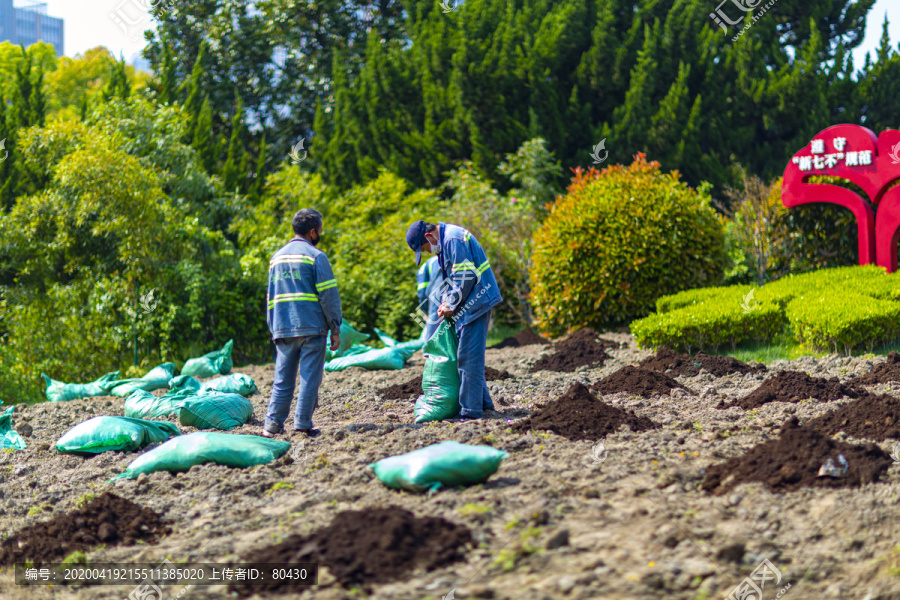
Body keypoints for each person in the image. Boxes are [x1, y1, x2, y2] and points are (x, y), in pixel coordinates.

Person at [405, 220, 503, 420]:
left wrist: (451, 304)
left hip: (477, 300)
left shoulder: (453, 239)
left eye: (424, 249)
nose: (428, 252)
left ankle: (470, 411)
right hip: (469, 302)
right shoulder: (446, 242)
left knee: (468, 357)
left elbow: (464, 275)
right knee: (466, 355)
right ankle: (484, 404)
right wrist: (445, 301)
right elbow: (449, 279)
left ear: (428, 237)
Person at [262, 208, 341, 438]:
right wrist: (335, 327)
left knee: (282, 379)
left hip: (283, 326)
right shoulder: (316, 256)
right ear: (313, 231)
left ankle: (271, 426)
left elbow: (271, 297)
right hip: (312, 327)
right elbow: (328, 296)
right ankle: (302, 424)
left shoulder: (276, 258)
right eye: (320, 230)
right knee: (309, 378)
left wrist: (273, 326)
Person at [416, 255, 444, 339]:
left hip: (438, 286)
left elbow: (422, 293)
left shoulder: (422, 269)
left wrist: (425, 312)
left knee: (434, 318)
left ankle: (430, 349)